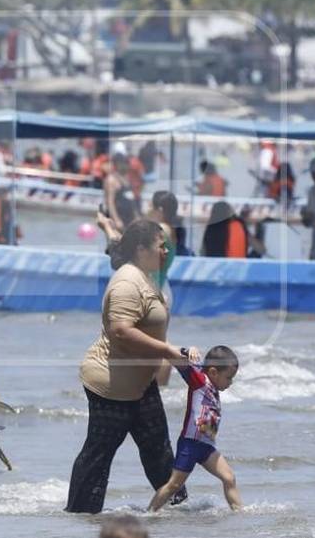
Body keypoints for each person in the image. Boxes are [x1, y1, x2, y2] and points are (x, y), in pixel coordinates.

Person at [68, 220, 194, 513]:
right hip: (111, 385)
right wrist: (167, 351)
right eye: (160, 245)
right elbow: (121, 330)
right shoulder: (127, 282)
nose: (166, 250)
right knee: (98, 455)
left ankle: (179, 515)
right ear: (141, 249)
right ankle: (78, 519)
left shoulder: (144, 274)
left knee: (159, 450)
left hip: (140, 383)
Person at [148, 345, 242, 513]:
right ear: (213, 372)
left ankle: (240, 513)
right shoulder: (199, 380)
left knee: (229, 478)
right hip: (190, 445)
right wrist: (187, 350)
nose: (231, 382)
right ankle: (149, 514)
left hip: (206, 447)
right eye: (228, 378)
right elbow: (173, 357)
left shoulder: (213, 385)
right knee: (174, 485)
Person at [105, 157, 139, 230]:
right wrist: (116, 219)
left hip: (129, 218)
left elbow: (131, 199)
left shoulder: (126, 178)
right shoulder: (112, 180)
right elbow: (110, 202)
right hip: (119, 217)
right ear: (117, 165)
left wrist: (136, 215)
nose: (126, 166)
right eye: (123, 164)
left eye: (127, 164)